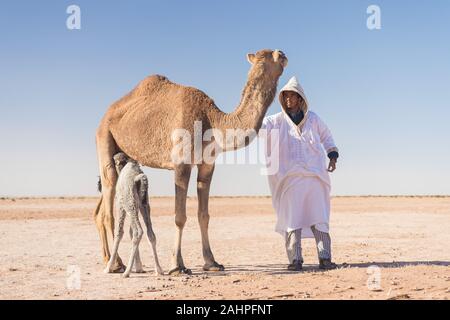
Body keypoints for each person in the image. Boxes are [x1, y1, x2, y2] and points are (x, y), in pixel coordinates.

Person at [262, 76, 339, 271]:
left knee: (319, 218)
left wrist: (332, 155)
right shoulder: (276, 121)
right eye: (285, 96)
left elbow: (327, 137)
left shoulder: (313, 119)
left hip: (315, 178)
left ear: (300, 98)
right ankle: (295, 260)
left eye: (292, 96)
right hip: (290, 180)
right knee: (292, 220)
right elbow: (258, 127)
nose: (288, 99)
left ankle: (325, 258)